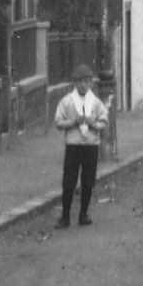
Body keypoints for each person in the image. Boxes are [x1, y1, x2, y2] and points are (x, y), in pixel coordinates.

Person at [54, 61, 110, 227]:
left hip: (91, 144)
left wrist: (93, 124)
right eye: (80, 81)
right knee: (69, 181)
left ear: (91, 82)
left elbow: (104, 122)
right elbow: (58, 122)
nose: (83, 85)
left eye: (86, 81)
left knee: (88, 181)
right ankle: (65, 216)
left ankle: (83, 214)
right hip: (73, 144)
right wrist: (73, 122)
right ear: (75, 82)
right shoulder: (67, 101)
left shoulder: (96, 103)